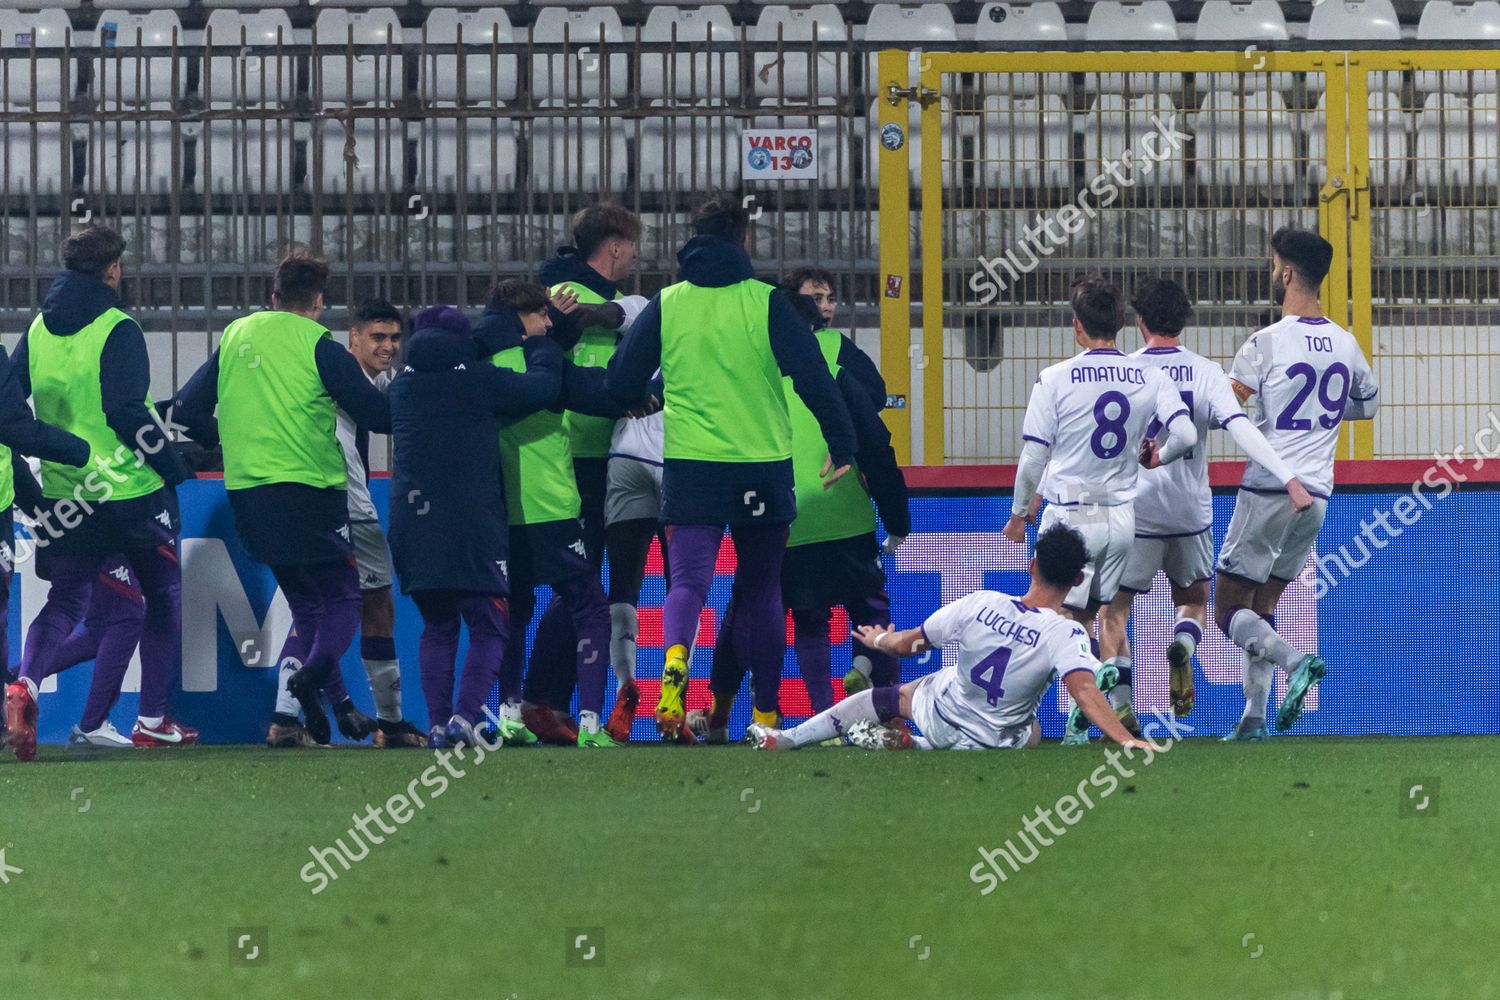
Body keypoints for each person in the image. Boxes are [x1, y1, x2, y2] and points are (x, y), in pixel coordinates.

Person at [606, 194, 857, 743]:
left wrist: (646, 397)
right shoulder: (766, 302)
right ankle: (765, 716)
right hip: (761, 465)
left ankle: (675, 668)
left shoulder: (668, 302)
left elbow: (620, 381)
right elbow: (813, 375)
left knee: (689, 581)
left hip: (693, 463)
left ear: (693, 235)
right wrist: (841, 440)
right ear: (744, 239)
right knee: (763, 590)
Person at [173, 252, 390, 745]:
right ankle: (310, 680)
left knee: (308, 607)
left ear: (272, 297)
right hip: (310, 487)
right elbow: (377, 414)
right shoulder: (320, 344)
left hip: (248, 492)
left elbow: (186, 409)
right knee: (343, 596)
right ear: (318, 301)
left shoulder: (234, 336)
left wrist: (227, 436)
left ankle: (333, 707)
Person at [4, 225, 194, 762]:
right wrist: (173, 464)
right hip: (131, 493)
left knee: (66, 602)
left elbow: (12, 406)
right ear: (113, 271)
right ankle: (154, 719)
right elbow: (128, 413)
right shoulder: (119, 327)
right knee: (163, 597)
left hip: (68, 494)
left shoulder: (38, 328)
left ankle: (25, 686)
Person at [691, 293, 911, 743]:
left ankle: (743, 715)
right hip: (842, 516)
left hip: (776, 518)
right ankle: (884, 710)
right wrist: (897, 519)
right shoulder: (834, 370)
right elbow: (877, 449)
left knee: (761, 615)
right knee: (870, 611)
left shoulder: (750, 380)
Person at [1097, 277, 1310, 730]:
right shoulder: (1206, 371)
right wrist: (1287, 476)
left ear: (1139, 322)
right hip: (1190, 513)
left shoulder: (1126, 371)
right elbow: (1239, 427)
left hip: (1136, 512)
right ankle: (1184, 648)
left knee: (1115, 610)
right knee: (1193, 602)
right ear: (1185, 321)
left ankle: (1121, 706)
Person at [1001, 274, 1198, 745]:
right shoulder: (1151, 376)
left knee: (1059, 621)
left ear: (1076, 325)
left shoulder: (1054, 378)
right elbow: (1187, 435)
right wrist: (1158, 457)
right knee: (1093, 616)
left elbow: (1033, 456)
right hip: (1122, 519)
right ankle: (1108, 694)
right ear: (1120, 324)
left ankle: (1079, 709)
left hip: (1072, 515)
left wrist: (1017, 513)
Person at [747, 525, 1150, 752]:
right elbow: (1083, 690)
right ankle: (915, 745)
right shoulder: (1066, 633)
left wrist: (881, 640)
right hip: (993, 742)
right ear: (1079, 580)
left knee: (897, 694)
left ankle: (789, 738)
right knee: (1033, 731)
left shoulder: (981, 602)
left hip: (940, 715)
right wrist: (1127, 739)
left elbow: (911, 644)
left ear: (1032, 565)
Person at [1215, 228, 1378, 740]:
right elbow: (1368, 404)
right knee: (1263, 608)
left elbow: (1228, 406)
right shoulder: (1345, 341)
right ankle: (1255, 720)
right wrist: (1318, 417)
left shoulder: (1265, 343)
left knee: (1228, 611)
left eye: (1273, 265)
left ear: (1286, 273)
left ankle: (1295, 661)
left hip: (1271, 488)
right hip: (1319, 495)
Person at [387, 303, 563, 747]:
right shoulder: (480, 379)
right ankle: (464, 720)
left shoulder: (401, 387)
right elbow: (543, 388)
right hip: (471, 523)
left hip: (412, 521)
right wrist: (543, 347)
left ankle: (436, 724)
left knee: (438, 625)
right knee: (489, 625)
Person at [264, 298, 426, 749]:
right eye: (377, 337)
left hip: (307, 507)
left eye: (395, 338)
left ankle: (284, 719)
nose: (388, 346)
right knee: (375, 606)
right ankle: (389, 725)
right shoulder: (342, 377)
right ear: (352, 338)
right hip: (346, 507)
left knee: (311, 612)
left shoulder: (361, 380)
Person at [479, 279, 634, 748]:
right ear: (520, 318)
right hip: (553, 509)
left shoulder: (480, 369)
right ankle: (589, 724)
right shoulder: (544, 366)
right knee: (590, 609)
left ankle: (508, 714)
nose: (549, 324)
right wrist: (644, 392)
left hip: (502, 513)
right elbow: (602, 393)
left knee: (513, 613)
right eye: (541, 316)